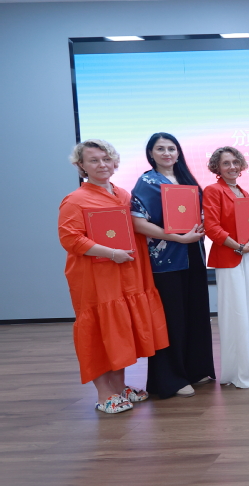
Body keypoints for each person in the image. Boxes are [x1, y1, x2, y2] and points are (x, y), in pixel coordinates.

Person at [58, 139, 169, 414]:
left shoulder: (123, 194)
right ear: (81, 165)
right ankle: (104, 393)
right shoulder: (75, 200)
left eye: (106, 159)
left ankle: (120, 387)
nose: (102, 165)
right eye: (94, 160)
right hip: (96, 279)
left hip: (126, 275)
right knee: (98, 331)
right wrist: (110, 253)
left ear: (115, 162)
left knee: (120, 331)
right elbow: (70, 239)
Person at [130, 132, 216, 398]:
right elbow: (138, 222)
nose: (167, 153)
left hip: (193, 254)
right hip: (166, 260)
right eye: (160, 149)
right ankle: (171, 379)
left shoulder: (187, 180)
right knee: (171, 319)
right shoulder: (147, 181)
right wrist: (177, 237)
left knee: (195, 313)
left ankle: (195, 369)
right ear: (151, 153)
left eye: (171, 148)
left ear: (178, 152)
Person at [204, 146, 249, 388]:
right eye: (226, 163)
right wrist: (239, 247)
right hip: (231, 257)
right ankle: (239, 373)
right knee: (236, 314)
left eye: (235, 162)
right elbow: (212, 228)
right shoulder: (213, 191)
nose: (232, 167)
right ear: (217, 167)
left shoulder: (243, 192)